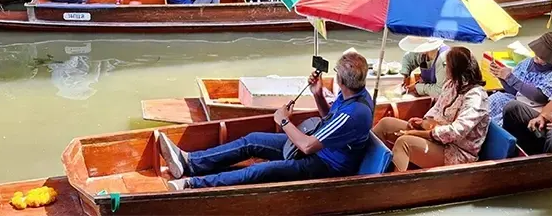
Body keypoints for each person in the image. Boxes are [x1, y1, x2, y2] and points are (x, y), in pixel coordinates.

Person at [158, 50, 374, 190]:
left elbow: (308, 146)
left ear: (341, 81)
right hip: (318, 147)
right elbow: (328, 119)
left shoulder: (353, 113)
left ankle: (192, 184)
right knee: (252, 140)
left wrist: (283, 121)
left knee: (258, 171)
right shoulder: (354, 93)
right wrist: (317, 93)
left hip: (326, 164)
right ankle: (191, 162)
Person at [373, 46, 490, 171]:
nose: (444, 68)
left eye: (447, 64)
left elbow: (455, 132)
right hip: (436, 135)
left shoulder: (476, 97)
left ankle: (391, 185)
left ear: (456, 68)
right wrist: (422, 122)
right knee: (386, 124)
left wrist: (420, 133)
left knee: (404, 143)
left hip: (456, 151)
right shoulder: (451, 84)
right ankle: (371, 166)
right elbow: (437, 109)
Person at [488, 32, 552, 126]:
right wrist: (503, 77)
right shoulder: (528, 62)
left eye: (541, 57)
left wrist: (510, 77)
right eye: (536, 54)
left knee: (505, 119)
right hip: (516, 100)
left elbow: (539, 96)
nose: (536, 58)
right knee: (496, 98)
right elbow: (513, 91)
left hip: (536, 111)